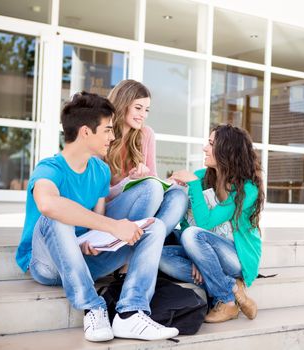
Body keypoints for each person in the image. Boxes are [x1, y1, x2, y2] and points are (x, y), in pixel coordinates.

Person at [15, 92, 178, 342]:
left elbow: (96, 220)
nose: (113, 137)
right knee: (55, 216)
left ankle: (131, 312)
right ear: (85, 132)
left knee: (154, 227)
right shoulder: (49, 168)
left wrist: (96, 238)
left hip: (85, 260)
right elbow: (48, 204)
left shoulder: (100, 170)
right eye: (108, 130)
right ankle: (93, 306)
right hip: (46, 265)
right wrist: (113, 226)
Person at [159, 124, 264, 323]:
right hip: (209, 250)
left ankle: (226, 301)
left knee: (192, 235)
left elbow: (205, 223)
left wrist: (192, 184)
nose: (204, 149)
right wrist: (197, 255)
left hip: (236, 258)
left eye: (210, 144)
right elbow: (185, 219)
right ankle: (232, 287)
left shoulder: (248, 190)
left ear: (227, 151)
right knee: (159, 255)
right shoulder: (204, 176)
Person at [104, 79, 187, 252]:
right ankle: (130, 256)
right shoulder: (104, 134)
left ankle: (142, 250)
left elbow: (153, 179)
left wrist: (170, 182)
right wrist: (129, 181)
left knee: (179, 195)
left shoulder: (146, 134)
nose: (143, 114)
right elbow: (101, 195)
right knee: (151, 187)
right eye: (138, 108)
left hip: (141, 208)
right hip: (109, 213)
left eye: (147, 110)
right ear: (122, 104)